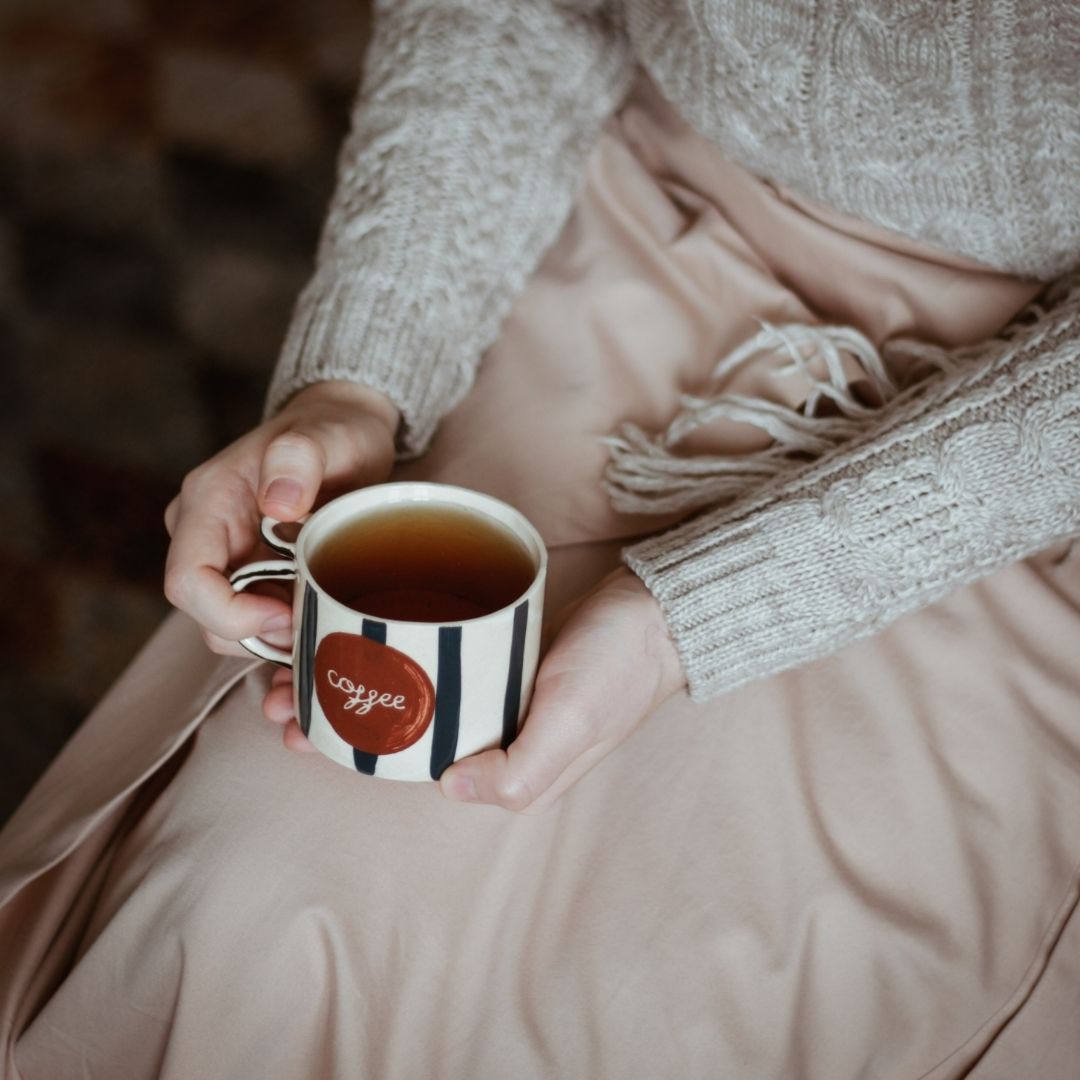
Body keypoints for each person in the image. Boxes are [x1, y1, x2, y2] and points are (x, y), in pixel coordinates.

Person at [2, 3, 1079, 1077]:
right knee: (251, 890)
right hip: (636, 218)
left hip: (1017, 464)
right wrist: (359, 377)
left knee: (674, 1004)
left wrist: (696, 614)